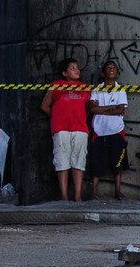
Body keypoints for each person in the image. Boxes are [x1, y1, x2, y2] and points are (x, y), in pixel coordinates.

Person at [39, 58, 89, 202]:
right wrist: (57, 117)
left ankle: (78, 196)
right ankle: (64, 196)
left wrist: (80, 118)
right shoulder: (56, 86)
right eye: (72, 68)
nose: (76, 70)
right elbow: (44, 106)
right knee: (62, 161)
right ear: (64, 72)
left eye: (77, 67)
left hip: (80, 128)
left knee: (79, 161)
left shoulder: (85, 87)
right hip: (61, 128)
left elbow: (89, 108)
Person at [87, 60, 129, 200]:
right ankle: (94, 192)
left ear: (117, 73)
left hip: (116, 130)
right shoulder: (97, 89)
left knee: (118, 163)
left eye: (114, 68)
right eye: (108, 67)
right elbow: (92, 109)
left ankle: (117, 191)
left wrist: (101, 110)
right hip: (99, 131)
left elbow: (121, 110)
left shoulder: (120, 90)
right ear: (103, 73)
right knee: (96, 163)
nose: (111, 69)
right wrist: (111, 108)